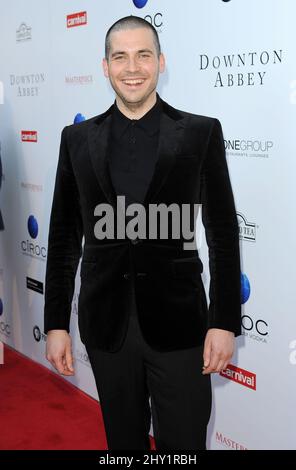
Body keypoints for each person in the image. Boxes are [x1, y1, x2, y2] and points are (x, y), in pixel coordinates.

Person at [44, 15, 241, 451]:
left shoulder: (200, 133)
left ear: (161, 62)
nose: (132, 67)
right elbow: (62, 239)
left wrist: (224, 321)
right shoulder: (76, 139)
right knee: (124, 447)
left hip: (181, 327)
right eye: (121, 56)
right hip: (106, 326)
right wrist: (55, 322)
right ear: (105, 66)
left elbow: (223, 233)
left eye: (143, 55)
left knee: (184, 447)